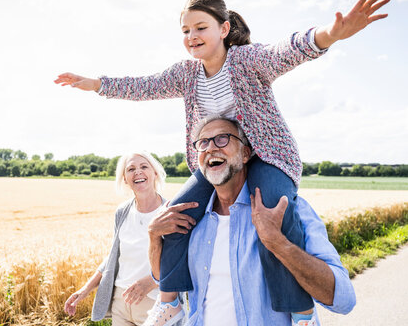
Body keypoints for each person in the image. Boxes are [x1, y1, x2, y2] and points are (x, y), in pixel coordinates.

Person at [55, 0, 388, 324]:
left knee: (273, 215)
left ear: (224, 29)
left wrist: (331, 34)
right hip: (216, 161)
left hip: (268, 158)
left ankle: (299, 311)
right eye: (186, 31)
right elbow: (145, 85)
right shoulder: (186, 75)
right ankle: (170, 301)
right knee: (173, 216)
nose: (192, 36)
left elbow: (287, 51)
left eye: (200, 27)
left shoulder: (246, 61)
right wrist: (96, 84)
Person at [147, 115, 356, 325]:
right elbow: (162, 277)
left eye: (222, 138)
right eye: (203, 142)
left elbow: (343, 300)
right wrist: (154, 237)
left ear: (246, 153)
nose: (211, 148)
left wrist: (279, 243)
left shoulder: (285, 209)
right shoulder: (188, 219)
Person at [64, 152, 175, 325]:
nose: (138, 172)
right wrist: (85, 290)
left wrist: (152, 281)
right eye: (131, 169)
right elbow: (113, 257)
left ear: (155, 173)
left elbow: (181, 261)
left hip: (156, 302)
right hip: (121, 302)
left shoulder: (170, 212)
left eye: (144, 166)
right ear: (125, 178)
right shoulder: (122, 211)